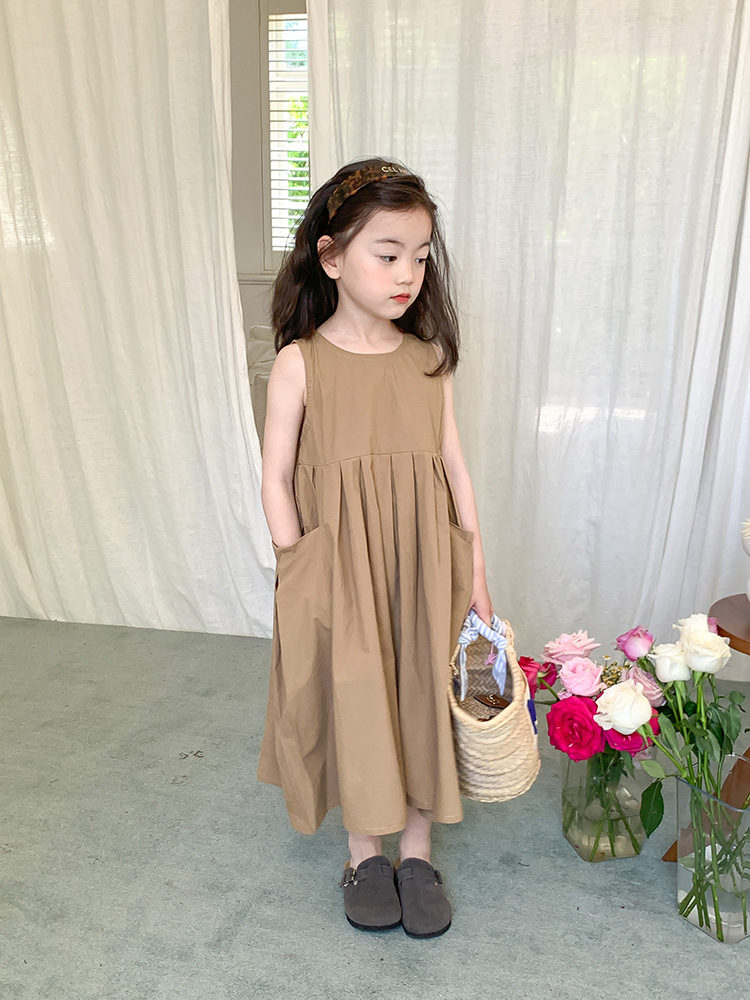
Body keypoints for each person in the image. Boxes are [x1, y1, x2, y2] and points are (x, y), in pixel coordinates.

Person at [258, 157, 493, 938]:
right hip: (339, 569)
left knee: (424, 690)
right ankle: (364, 854)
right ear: (330, 257)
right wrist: (301, 569)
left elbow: (455, 470)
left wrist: (476, 574)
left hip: (426, 563)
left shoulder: (427, 360)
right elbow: (275, 478)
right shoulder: (301, 363)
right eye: (387, 255)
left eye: (420, 258)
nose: (407, 275)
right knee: (356, 696)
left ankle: (417, 854)